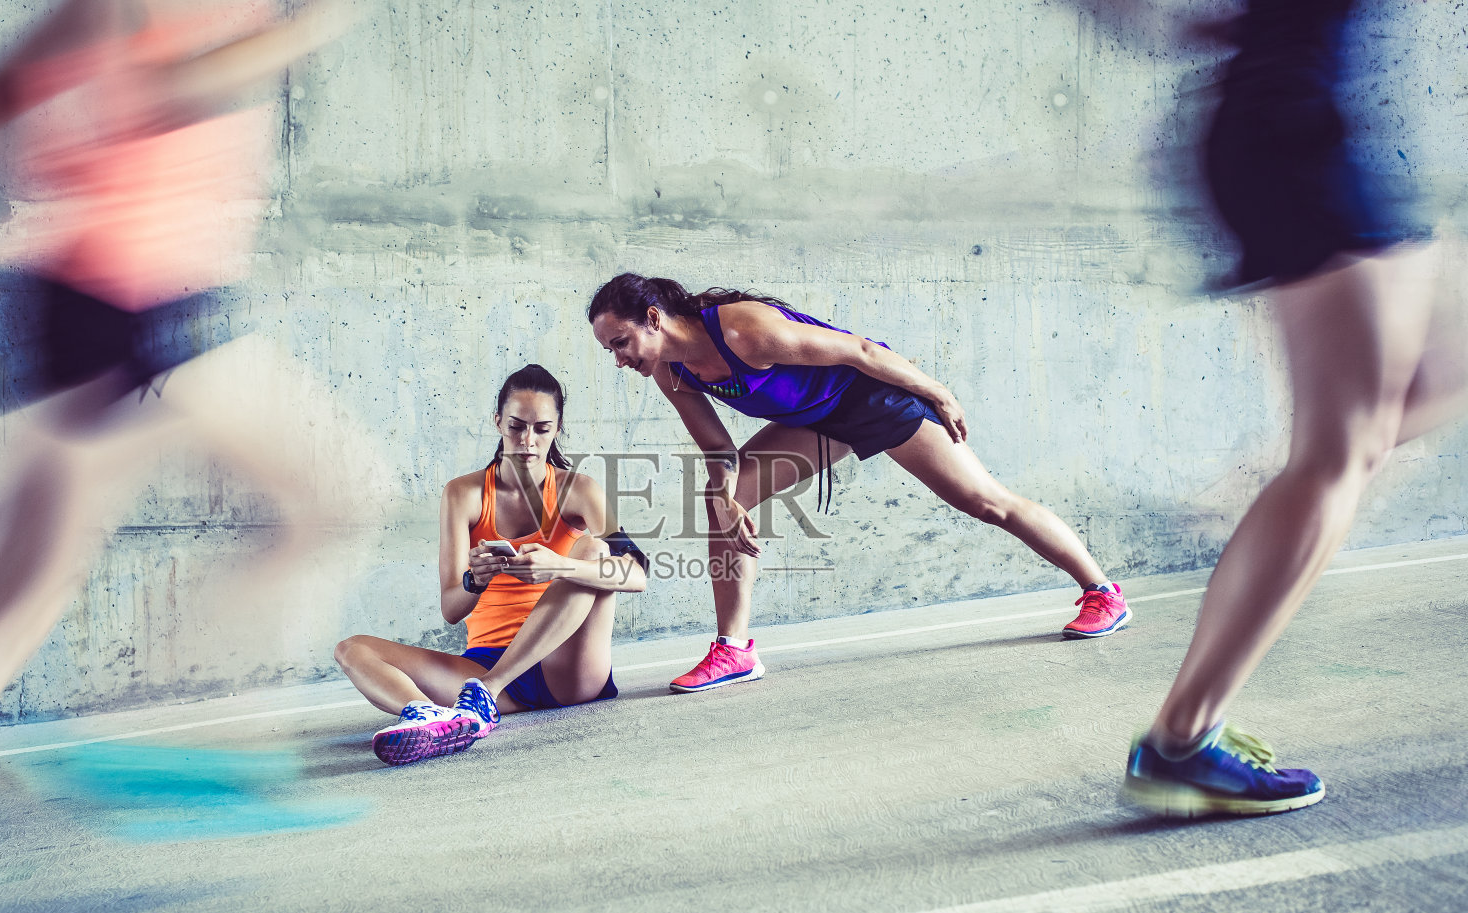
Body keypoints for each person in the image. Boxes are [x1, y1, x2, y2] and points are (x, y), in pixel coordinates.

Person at [0, 0, 361, 913]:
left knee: (316, 501)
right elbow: (160, 90)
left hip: (118, 293)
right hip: (123, 304)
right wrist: (305, 31)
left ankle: (162, 728)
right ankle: (149, 725)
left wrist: (59, 200)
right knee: (320, 498)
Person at [1104, 0, 1468, 816]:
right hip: (1291, 132)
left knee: (1440, 376)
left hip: (1319, 126)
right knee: (1342, 454)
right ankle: (1180, 742)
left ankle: (1271, 489)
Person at [588, 274, 1130, 695]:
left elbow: (861, 352)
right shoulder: (672, 371)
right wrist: (727, 494)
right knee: (722, 503)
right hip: (815, 419)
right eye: (610, 350)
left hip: (872, 398)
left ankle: (1103, 593)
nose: (619, 359)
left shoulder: (742, 330)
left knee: (986, 502)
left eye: (620, 342)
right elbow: (717, 448)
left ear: (653, 318)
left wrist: (938, 393)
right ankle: (734, 650)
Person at [335, 364, 649, 766]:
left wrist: (559, 566)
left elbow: (637, 575)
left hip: (564, 664)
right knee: (351, 649)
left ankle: (484, 695)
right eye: (516, 427)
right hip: (483, 664)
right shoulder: (463, 494)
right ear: (498, 421)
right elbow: (451, 609)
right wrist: (475, 580)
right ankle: (430, 718)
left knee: (591, 550)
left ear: (557, 429)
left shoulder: (578, 489)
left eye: (541, 429)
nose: (528, 441)